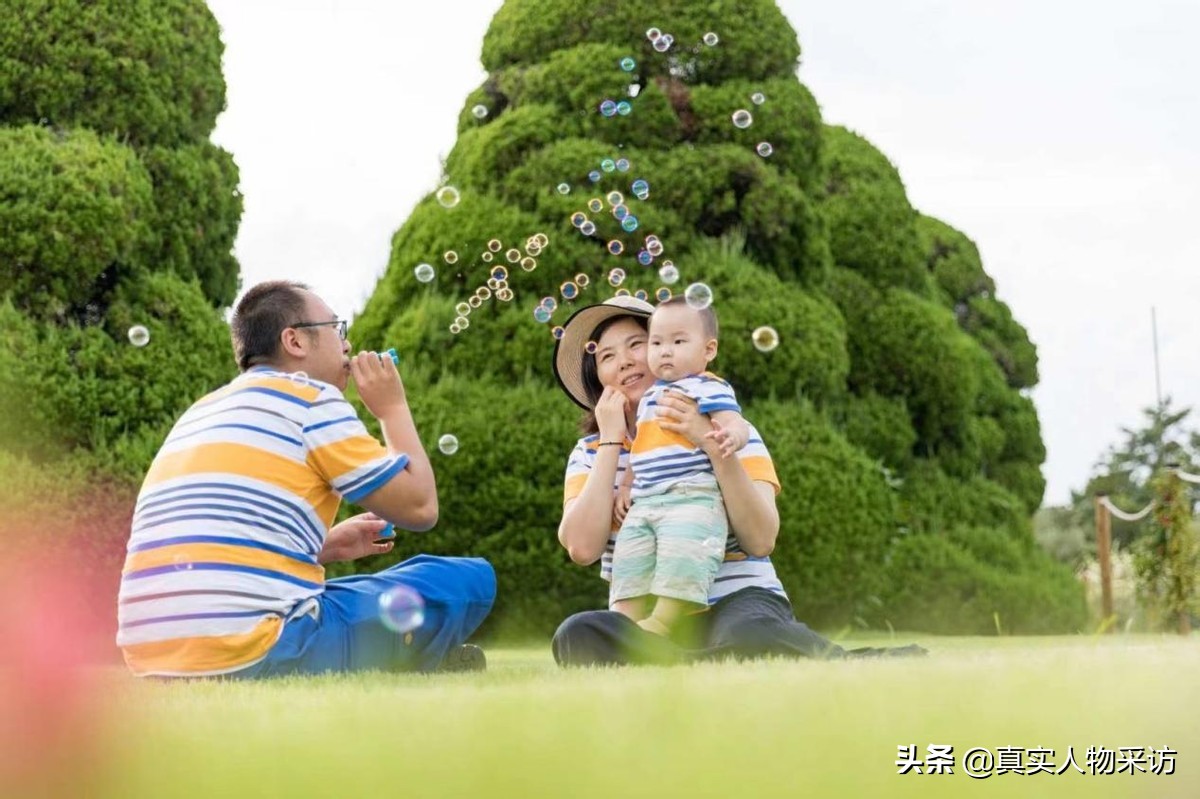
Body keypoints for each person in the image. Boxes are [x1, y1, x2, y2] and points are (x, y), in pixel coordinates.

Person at [116, 280, 495, 678]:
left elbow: (210, 545)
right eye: (337, 328)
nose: (348, 344)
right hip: (256, 650)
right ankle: (420, 656)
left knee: (363, 596)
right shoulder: (311, 399)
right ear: (294, 341)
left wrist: (325, 547)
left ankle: (414, 656)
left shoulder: (199, 412)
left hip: (151, 658)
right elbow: (420, 507)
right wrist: (392, 408)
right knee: (468, 580)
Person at [550, 296, 925, 665]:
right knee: (575, 635)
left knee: (752, 635)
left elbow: (760, 539)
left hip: (737, 601)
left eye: (637, 344)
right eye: (607, 356)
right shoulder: (589, 453)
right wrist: (611, 440)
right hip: (648, 624)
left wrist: (711, 444)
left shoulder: (729, 430)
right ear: (596, 376)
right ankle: (707, 662)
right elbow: (582, 548)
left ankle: (679, 664)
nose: (625, 361)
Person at [610, 297, 752, 636]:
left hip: (692, 495)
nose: (665, 352)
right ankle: (621, 624)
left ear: (709, 349)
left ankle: (663, 621)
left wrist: (732, 436)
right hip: (646, 500)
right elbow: (642, 447)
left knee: (684, 555)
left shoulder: (707, 386)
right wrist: (627, 485)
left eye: (678, 341)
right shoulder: (650, 396)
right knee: (628, 559)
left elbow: (735, 421)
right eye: (656, 343)